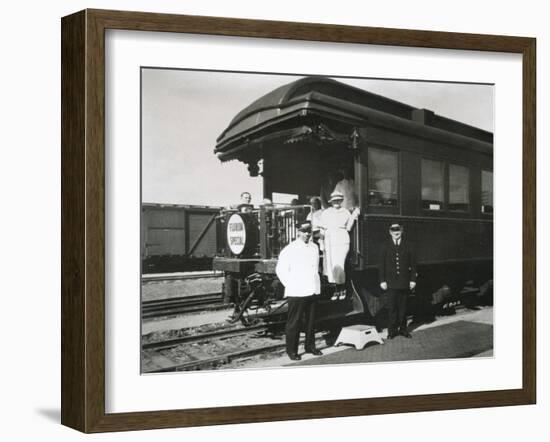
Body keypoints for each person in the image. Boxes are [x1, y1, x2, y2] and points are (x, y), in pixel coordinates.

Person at [276, 222, 323, 361]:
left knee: (311, 321)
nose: (307, 234)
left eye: (309, 231)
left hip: (312, 289)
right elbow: (280, 270)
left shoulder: (314, 247)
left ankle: (310, 346)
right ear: (298, 232)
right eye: (304, 231)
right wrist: (291, 284)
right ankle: (292, 351)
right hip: (297, 291)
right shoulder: (290, 249)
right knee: (294, 322)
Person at [378, 223, 417, 339]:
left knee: (403, 308)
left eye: (398, 230)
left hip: (404, 282)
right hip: (390, 283)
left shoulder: (408, 245)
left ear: (402, 231)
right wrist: (382, 280)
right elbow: (381, 265)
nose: (396, 232)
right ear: (390, 232)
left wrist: (413, 280)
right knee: (392, 308)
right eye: (393, 230)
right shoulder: (385, 245)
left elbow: (413, 264)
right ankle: (392, 331)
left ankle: (403, 330)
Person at [320, 191, 360, 300]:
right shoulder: (326, 213)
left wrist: (354, 214)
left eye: (338, 200)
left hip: (341, 239)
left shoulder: (345, 212)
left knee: (339, 264)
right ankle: (335, 290)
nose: (336, 202)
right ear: (331, 202)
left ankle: (342, 289)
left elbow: (348, 227)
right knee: (331, 266)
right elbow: (322, 229)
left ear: (341, 201)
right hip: (329, 240)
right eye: (334, 200)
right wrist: (321, 242)